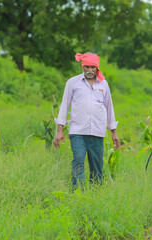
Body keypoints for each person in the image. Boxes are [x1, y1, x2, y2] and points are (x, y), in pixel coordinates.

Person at [53, 52, 120, 189]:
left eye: (93, 67)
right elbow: (64, 105)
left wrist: (114, 132)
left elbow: (109, 108)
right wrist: (59, 130)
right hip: (78, 131)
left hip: (97, 132)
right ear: (82, 67)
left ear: (97, 68)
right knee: (78, 159)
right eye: (87, 67)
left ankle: (96, 192)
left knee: (97, 166)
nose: (90, 70)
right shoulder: (72, 83)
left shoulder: (104, 84)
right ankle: (78, 192)